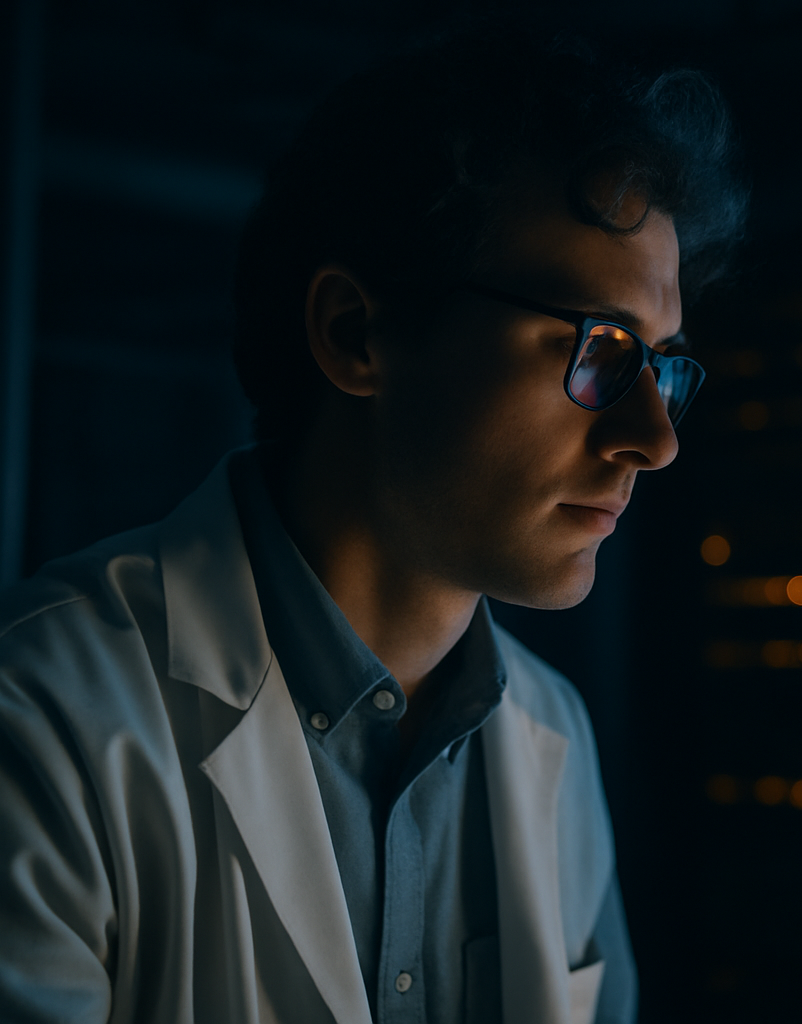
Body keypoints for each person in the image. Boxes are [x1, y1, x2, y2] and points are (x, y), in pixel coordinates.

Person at [0, 26, 746, 1024]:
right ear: (356, 334)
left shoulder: (550, 731)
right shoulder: (42, 721)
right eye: (602, 348)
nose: (655, 439)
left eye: (663, 366)